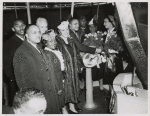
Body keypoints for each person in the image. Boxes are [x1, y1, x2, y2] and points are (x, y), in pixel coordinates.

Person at [13, 25, 63, 114]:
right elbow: (21, 81)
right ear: (27, 35)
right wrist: (31, 100)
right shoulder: (21, 52)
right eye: (34, 32)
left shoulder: (39, 48)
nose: (38, 35)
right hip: (38, 96)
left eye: (39, 32)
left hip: (50, 94)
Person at [56, 21, 102, 114]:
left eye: (66, 29)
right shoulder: (58, 42)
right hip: (65, 69)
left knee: (74, 87)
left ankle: (72, 107)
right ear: (59, 31)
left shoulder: (70, 40)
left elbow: (76, 53)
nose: (65, 32)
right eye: (63, 30)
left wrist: (79, 65)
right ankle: (66, 109)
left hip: (73, 67)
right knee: (66, 89)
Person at [41, 30, 65, 113]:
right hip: (56, 85)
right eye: (50, 41)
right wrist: (58, 87)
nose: (54, 42)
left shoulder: (52, 52)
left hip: (59, 81)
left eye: (54, 40)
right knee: (56, 106)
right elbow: (52, 73)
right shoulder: (48, 54)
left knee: (60, 105)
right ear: (45, 43)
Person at [3, 19, 26, 106]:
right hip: (17, 81)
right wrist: (13, 78)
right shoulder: (9, 43)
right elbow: (6, 63)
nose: (21, 27)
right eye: (17, 26)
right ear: (13, 29)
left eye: (22, 25)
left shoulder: (28, 40)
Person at [82, 18, 106, 92]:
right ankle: (90, 86)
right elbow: (84, 46)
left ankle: (101, 86)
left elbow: (103, 46)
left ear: (96, 27)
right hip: (90, 55)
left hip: (98, 56)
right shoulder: (86, 36)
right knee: (91, 71)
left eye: (93, 26)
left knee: (100, 71)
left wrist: (100, 48)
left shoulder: (100, 35)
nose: (92, 28)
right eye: (90, 27)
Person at [103, 15, 124, 84]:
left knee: (116, 79)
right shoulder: (106, 33)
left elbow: (120, 48)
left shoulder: (117, 33)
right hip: (108, 59)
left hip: (115, 60)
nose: (104, 24)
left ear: (111, 22)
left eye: (105, 22)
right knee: (110, 79)